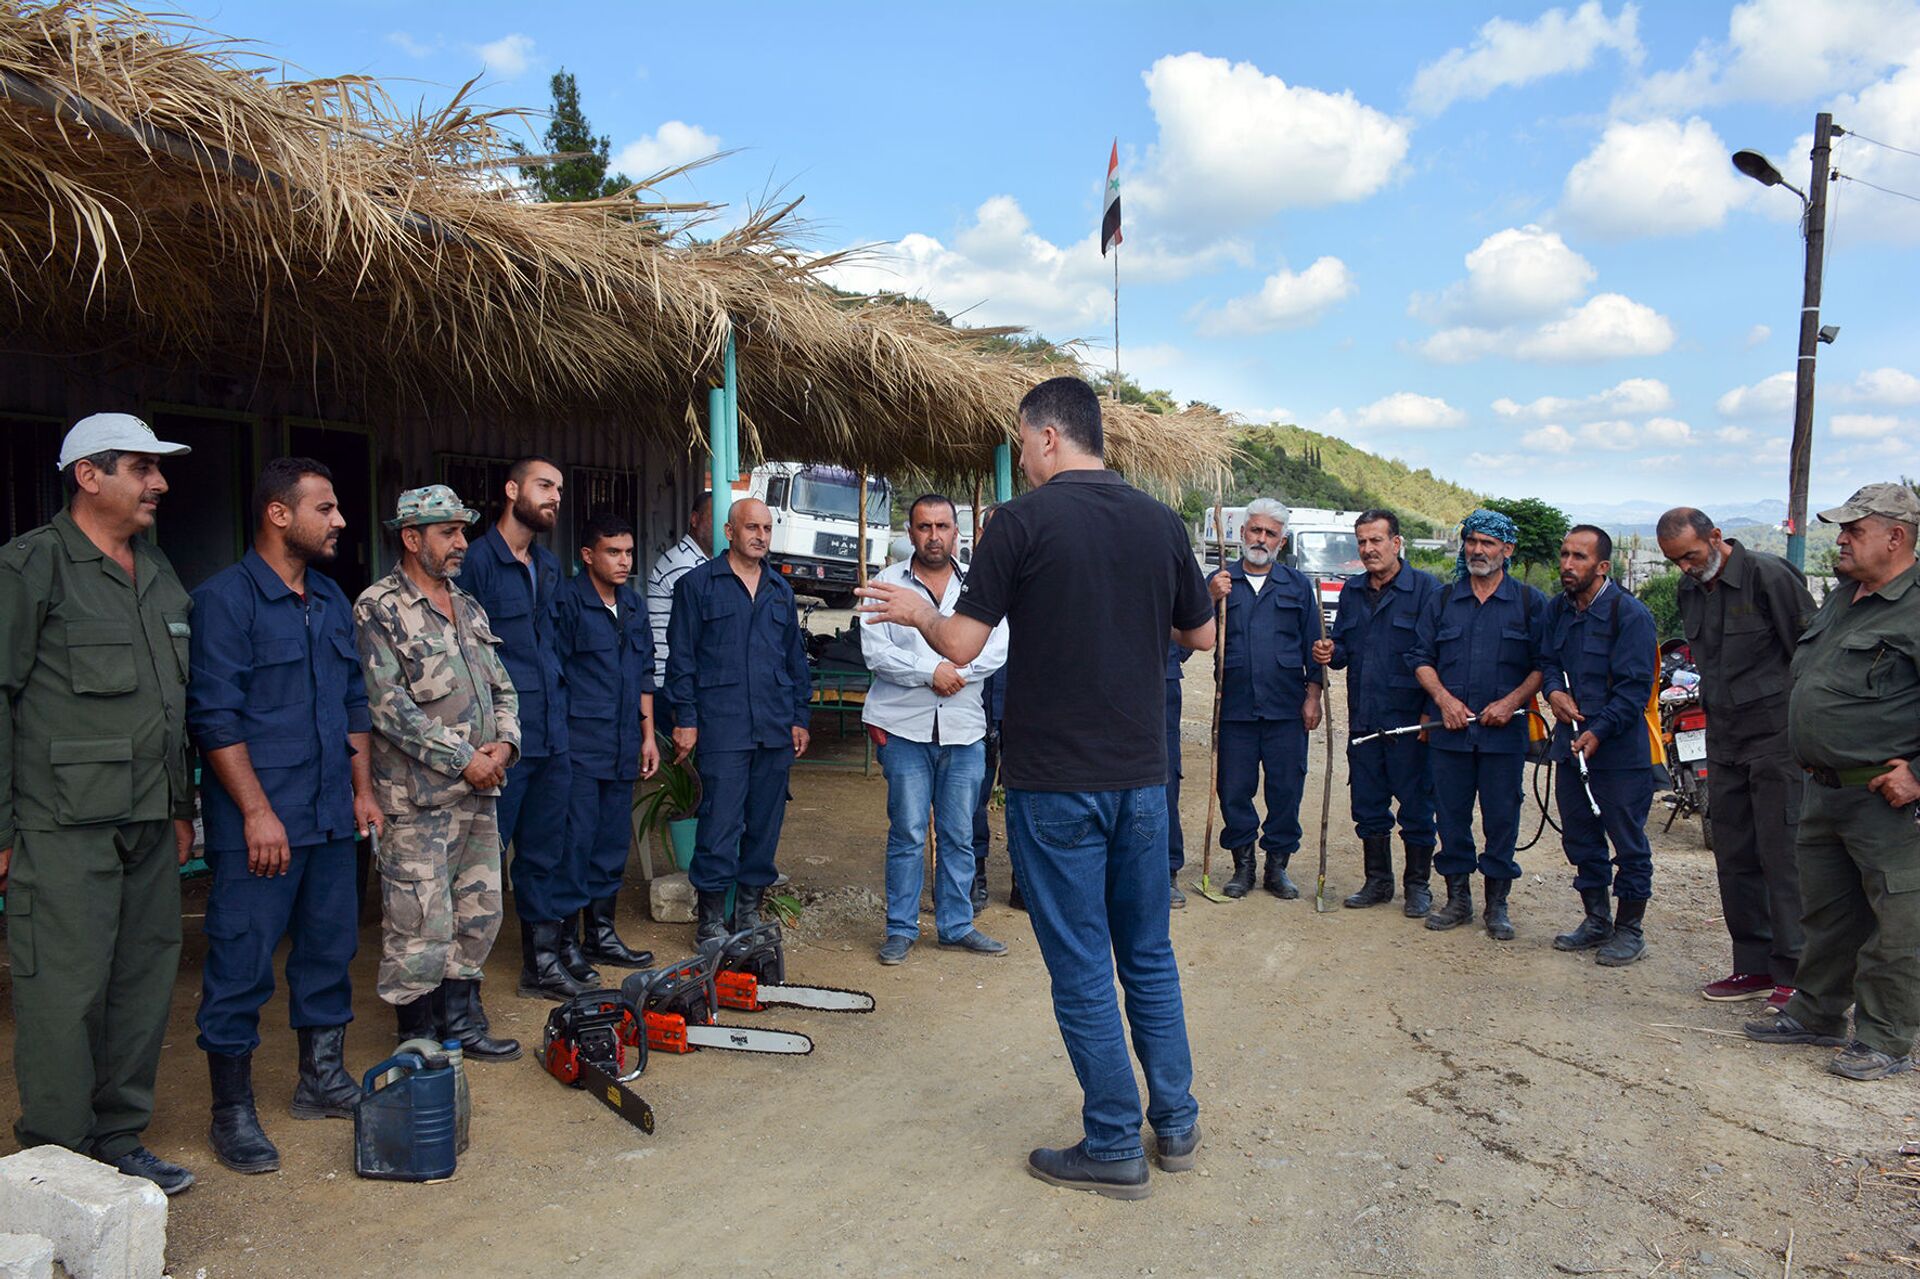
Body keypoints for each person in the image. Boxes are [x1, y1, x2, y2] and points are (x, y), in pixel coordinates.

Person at [858, 375, 1216, 1201]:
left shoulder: (1020, 523)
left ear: (1049, 436)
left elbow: (960, 640)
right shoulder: (1160, 521)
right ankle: (1177, 1121)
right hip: (1141, 776)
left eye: (1022, 442)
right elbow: (1199, 631)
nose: (1021, 458)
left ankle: (1113, 1142)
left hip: (1056, 783)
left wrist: (915, 612)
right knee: (1148, 952)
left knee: (1083, 962)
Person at [0, 414, 199, 1195]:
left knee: (141, 983)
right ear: (89, 474)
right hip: (62, 824)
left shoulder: (158, 570)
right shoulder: (32, 566)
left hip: (148, 820)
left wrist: (180, 806)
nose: (160, 483)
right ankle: (59, 1156)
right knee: (64, 990)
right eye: (143, 468)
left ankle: (117, 1136)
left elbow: (170, 703)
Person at [186, 459, 384, 1174]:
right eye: (324, 509)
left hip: (330, 816)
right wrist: (256, 812)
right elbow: (214, 717)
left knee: (330, 952)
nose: (339, 521)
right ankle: (231, 1112)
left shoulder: (329, 597)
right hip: (261, 827)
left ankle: (320, 1077)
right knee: (241, 963)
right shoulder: (224, 600)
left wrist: (362, 790)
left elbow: (353, 702)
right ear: (278, 514)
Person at [1745, 483, 1920, 1081]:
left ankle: (1885, 1039)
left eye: (1853, 530)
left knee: (1898, 924)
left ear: (1895, 537)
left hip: (1886, 799)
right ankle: (1816, 1013)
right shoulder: (1844, 597)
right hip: (1825, 789)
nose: (1840, 540)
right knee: (1827, 915)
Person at [354, 485, 521, 1063]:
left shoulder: (467, 605)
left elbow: (502, 687)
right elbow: (387, 706)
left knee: (478, 911)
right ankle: (417, 1036)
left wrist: (505, 744)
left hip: (480, 792)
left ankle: (462, 1023)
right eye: (448, 532)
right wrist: (464, 759)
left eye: (462, 531)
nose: (461, 542)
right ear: (411, 538)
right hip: (419, 800)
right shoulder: (378, 607)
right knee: (418, 919)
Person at [1657, 507, 1815, 1009]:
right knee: (1734, 854)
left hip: (1777, 739)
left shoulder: (1769, 576)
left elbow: (1809, 655)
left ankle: (1797, 974)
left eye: (1690, 555)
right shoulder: (1689, 590)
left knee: (1783, 856)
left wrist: (1808, 737)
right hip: (1724, 739)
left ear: (1716, 537)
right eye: (1675, 561)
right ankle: (1753, 966)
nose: (1685, 568)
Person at [454, 458, 588, 1000]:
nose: (555, 496)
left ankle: (542, 964)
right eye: (544, 485)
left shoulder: (548, 566)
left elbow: (551, 648)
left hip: (551, 733)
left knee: (544, 853)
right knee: (482, 859)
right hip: (500, 740)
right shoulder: (476, 562)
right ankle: (459, 986)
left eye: (559, 488)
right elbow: (461, 655)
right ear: (512, 490)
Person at [861, 494, 1009, 965]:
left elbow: (997, 646)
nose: (933, 536)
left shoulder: (980, 585)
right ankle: (901, 929)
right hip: (903, 728)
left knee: (959, 832)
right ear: (910, 533)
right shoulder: (886, 584)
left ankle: (956, 925)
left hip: (963, 729)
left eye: (942, 526)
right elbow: (876, 652)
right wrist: (932, 672)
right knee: (907, 831)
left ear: (955, 533)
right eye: (924, 527)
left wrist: (955, 672)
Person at [666, 498, 813, 943]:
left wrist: (799, 717)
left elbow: (795, 660)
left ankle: (747, 912)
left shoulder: (779, 589)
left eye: (767, 528)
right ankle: (711, 919)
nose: (761, 536)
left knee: (764, 824)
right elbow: (681, 659)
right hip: (722, 724)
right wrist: (685, 718)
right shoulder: (697, 586)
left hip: (774, 726)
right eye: (752, 527)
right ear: (729, 532)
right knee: (720, 822)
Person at [1408, 508, 1547, 942]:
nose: (1477, 550)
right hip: (1449, 734)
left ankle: (1497, 905)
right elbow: (1420, 658)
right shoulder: (1443, 599)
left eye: (1488, 543)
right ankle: (1457, 900)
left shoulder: (1529, 603)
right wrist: (1444, 700)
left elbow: (1543, 665)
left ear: (1507, 549)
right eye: (1471, 541)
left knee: (1502, 818)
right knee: (1450, 816)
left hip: (1504, 738)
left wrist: (1511, 702)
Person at [1539, 525, 1659, 966]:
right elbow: (1547, 661)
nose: (1568, 565)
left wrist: (1599, 731)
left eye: (1580, 558)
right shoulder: (1557, 609)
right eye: (1565, 555)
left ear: (1602, 566)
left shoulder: (1630, 614)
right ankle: (1596, 920)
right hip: (1571, 746)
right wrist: (1554, 692)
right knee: (1580, 836)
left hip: (1619, 753)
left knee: (1628, 844)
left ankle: (1630, 931)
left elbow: (1634, 690)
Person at [1313, 509, 1441, 915]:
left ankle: (1418, 886)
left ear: (1396, 543)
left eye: (1376, 541)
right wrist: (1329, 651)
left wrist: (1430, 713)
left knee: (1417, 808)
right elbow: (1344, 650)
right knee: (1368, 805)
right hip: (1365, 719)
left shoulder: (1427, 590)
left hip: (1410, 722)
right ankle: (1378, 882)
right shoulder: (1352, 591)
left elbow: (1437, 656)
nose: (1368, 549)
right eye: (1362, 542)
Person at [553, 512, 659, 970]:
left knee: (612, 844)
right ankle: (565, 944)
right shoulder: (566, 602)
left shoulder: (633, 606)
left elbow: (644, 673)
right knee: (574, 845)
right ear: (587, 555)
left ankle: (601, 935)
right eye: (613, 552)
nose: (623, 561)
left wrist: (648, 737)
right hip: (579, 746)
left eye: (628, 552)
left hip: (622, 745)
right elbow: (554, 676)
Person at [1206, 499, 1325, 900]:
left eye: (1270, 533)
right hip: (1234, 706)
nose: (1261, 539)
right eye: (1255, 530)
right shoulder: (1221, 581)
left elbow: (1314, 645)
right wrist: (1209, 597)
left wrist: (1313, 696)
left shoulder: (1297, 585)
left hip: (1286, 708)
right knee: (1233, 787)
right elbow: (1195, 632)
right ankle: (1243, 866)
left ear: (1281, 541)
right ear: (1242, 534)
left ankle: (1277, 866)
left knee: (1286, 789)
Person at [646, 490, 713, 731]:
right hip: (670, 682)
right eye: (713, 517)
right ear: (694, 519)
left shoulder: (703, 562)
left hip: (679, 679)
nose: (721, 526)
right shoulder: (682, 563)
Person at [1164, 639, 1193, 909]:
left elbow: (1192, 629)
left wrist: (1172, 651)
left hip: (1161, 676)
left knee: (1165, 778)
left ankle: (1166, 870)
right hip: (1105, 678)